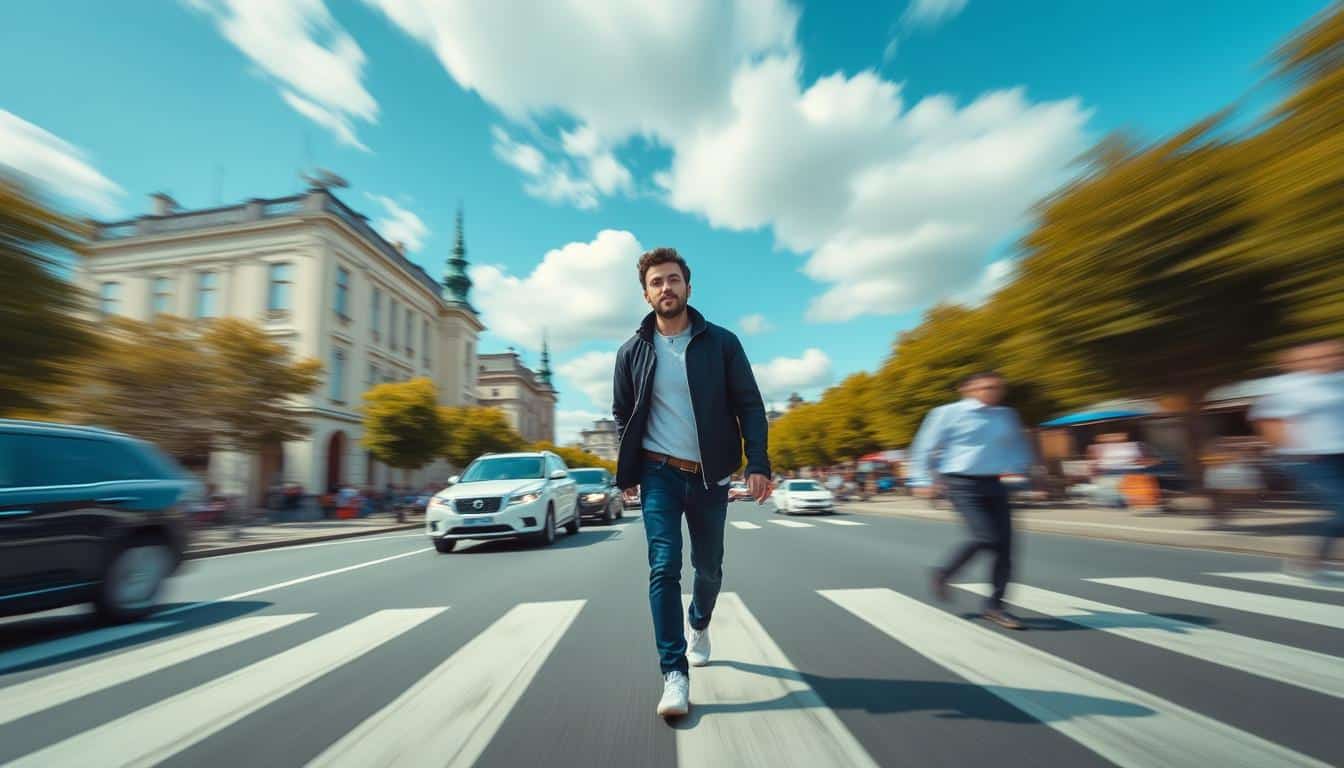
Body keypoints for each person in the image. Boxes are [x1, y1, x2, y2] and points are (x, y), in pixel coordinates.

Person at [612, 247, 772, 719]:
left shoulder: (722, 343)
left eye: (674, 279)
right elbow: (622, 414)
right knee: (663, 567)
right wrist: (628, 471)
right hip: (657, 472)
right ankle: (674, 672)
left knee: (709, 568)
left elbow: (750, 406)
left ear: (688, 286)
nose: (667, 288)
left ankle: (699, 622)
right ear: (645, 293)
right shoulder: (631, 353)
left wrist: (757, 462)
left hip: (710, 476)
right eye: (657, 281)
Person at [909, 370, 1034, 630]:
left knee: (1006, 548)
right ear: (968, 390)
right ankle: (944, 573)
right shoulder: (947, 413)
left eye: (998, 387)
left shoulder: (1006, 415)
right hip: (960, 483)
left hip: (994, 482)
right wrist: (921, 481)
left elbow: (1017, 445)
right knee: (984, 537)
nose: (993, 392)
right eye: (986, 387)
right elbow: (924, 447)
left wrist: (1023, 468)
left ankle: (995, 607)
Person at [1250, 339, 1344, 574]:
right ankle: (1315, 560)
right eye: (1317, 357)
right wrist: (1294, 451)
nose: (1327, 360)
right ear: (1295, 362)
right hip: (1312, 458)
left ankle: (1316, 558)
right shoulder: (1286, 386)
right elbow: (1269, 421)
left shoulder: (1340, 380)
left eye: (1333, 354)